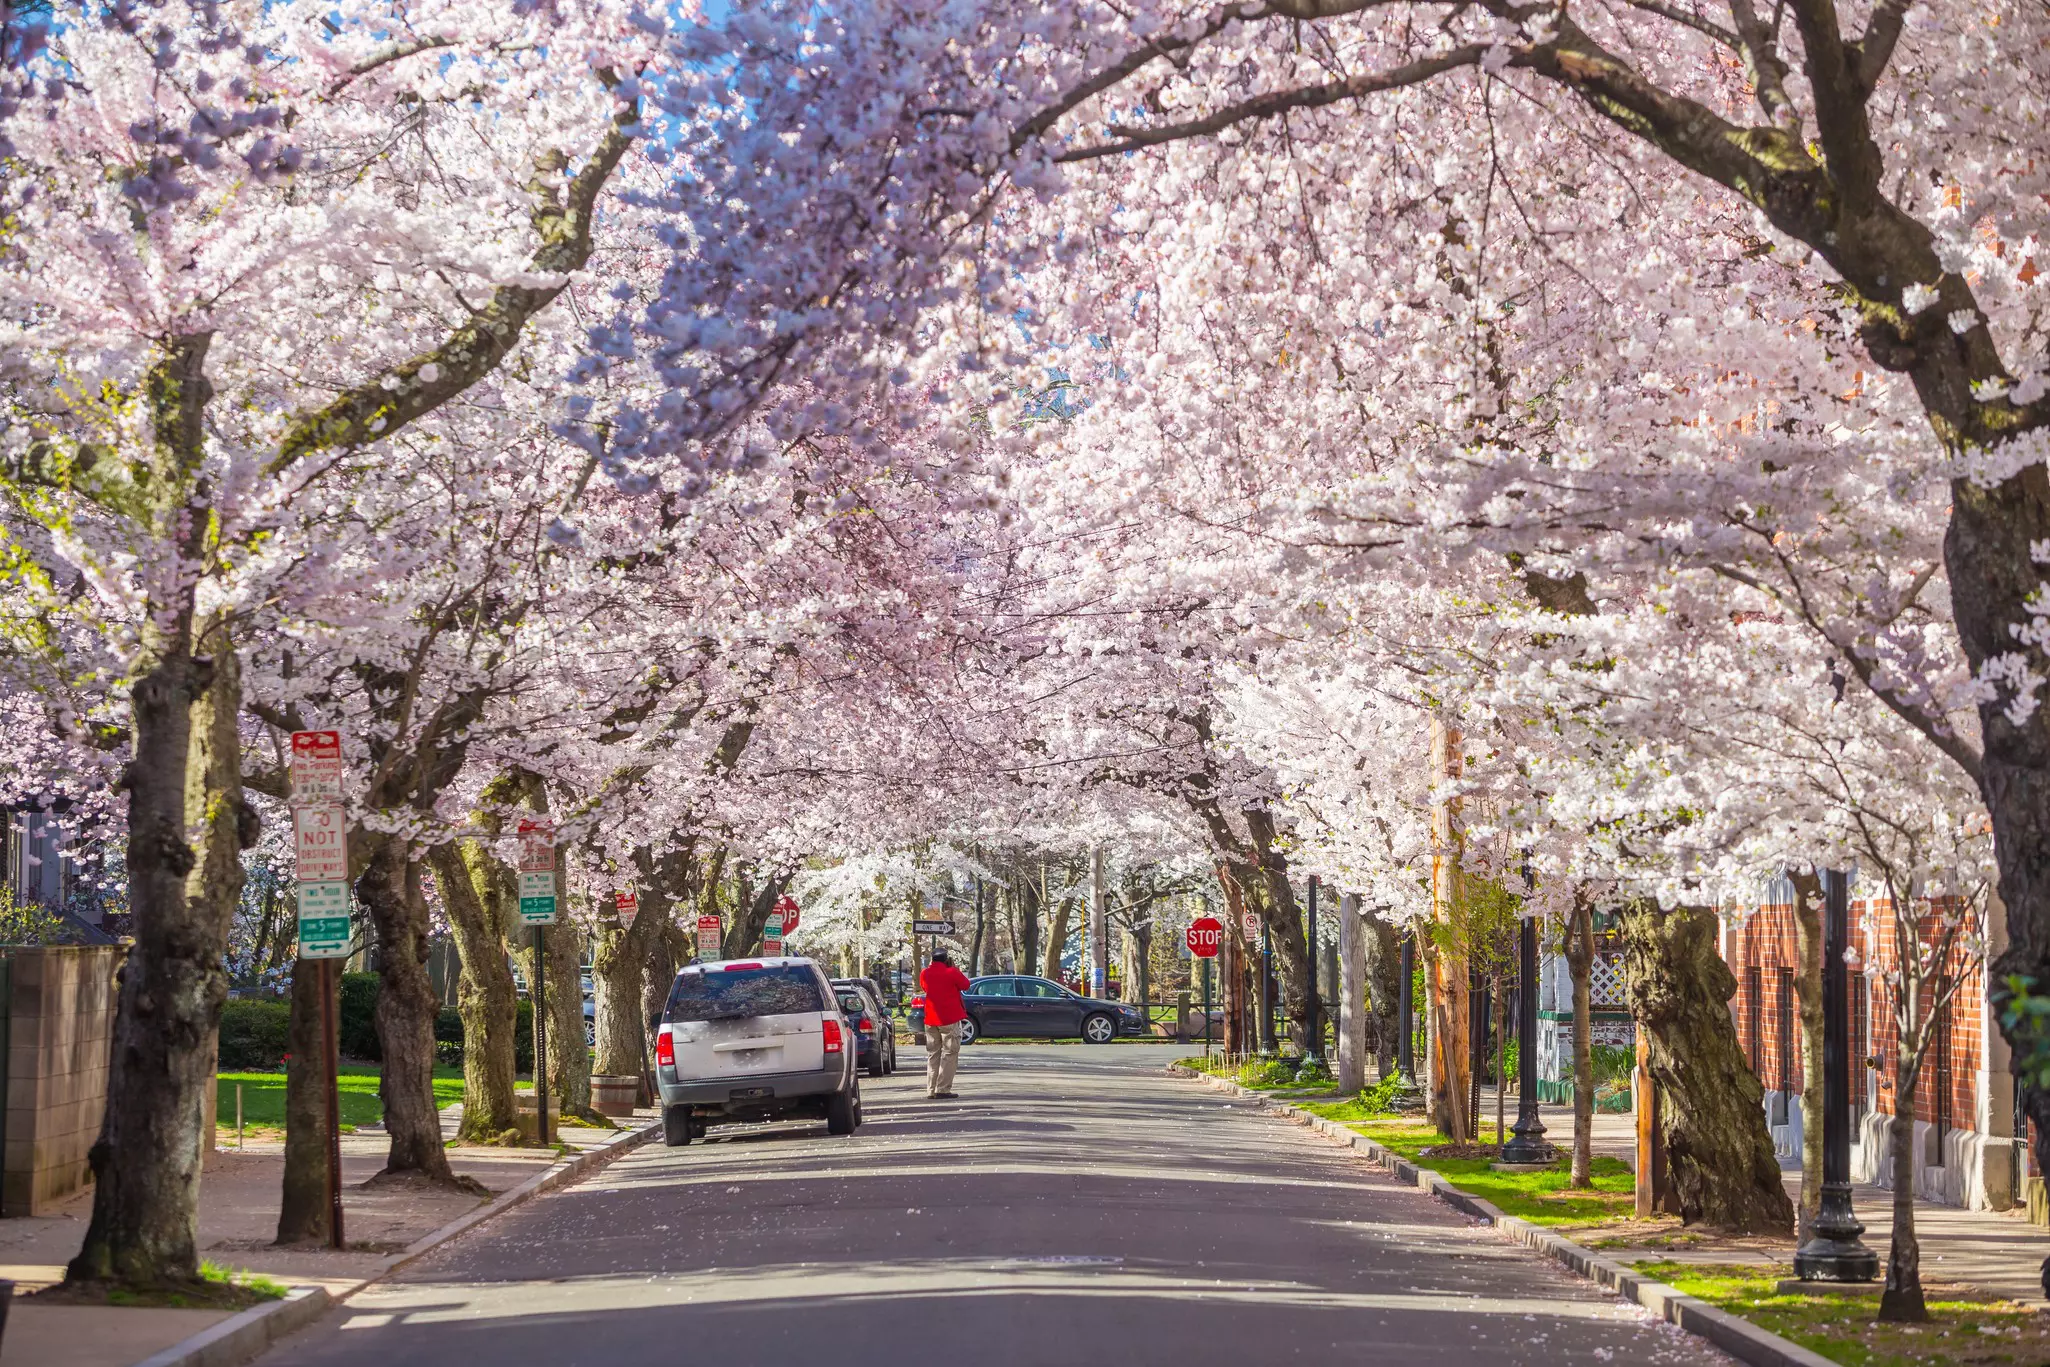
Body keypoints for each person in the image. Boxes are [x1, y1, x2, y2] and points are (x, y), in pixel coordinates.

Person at [919, 948, 971, 1099]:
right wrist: (952, 967)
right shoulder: (952, 972)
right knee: (949, 1053)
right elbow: (965, 985)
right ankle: (942, 1089)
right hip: (949, 1018)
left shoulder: (925, 973)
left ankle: (930, 1089)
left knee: (933, 1054)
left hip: (931, 1019)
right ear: (946, 959)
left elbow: (924, 987)